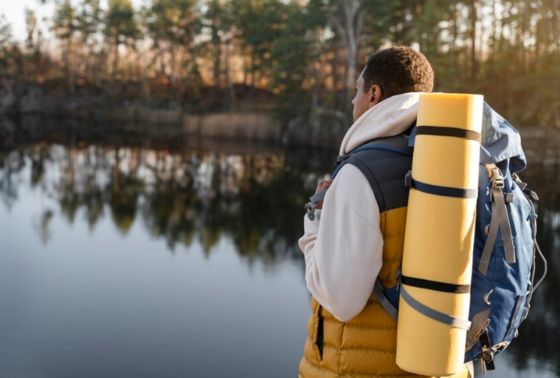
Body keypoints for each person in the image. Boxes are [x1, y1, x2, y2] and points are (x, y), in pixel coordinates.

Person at [297, 46, 470, 378]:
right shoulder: (456, 161)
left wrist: (314, 223)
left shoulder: (360, 173)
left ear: (374, 94)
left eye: (357, 90)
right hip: (443, 365)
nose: (352, 101)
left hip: (359, 369)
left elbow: (342, 301)